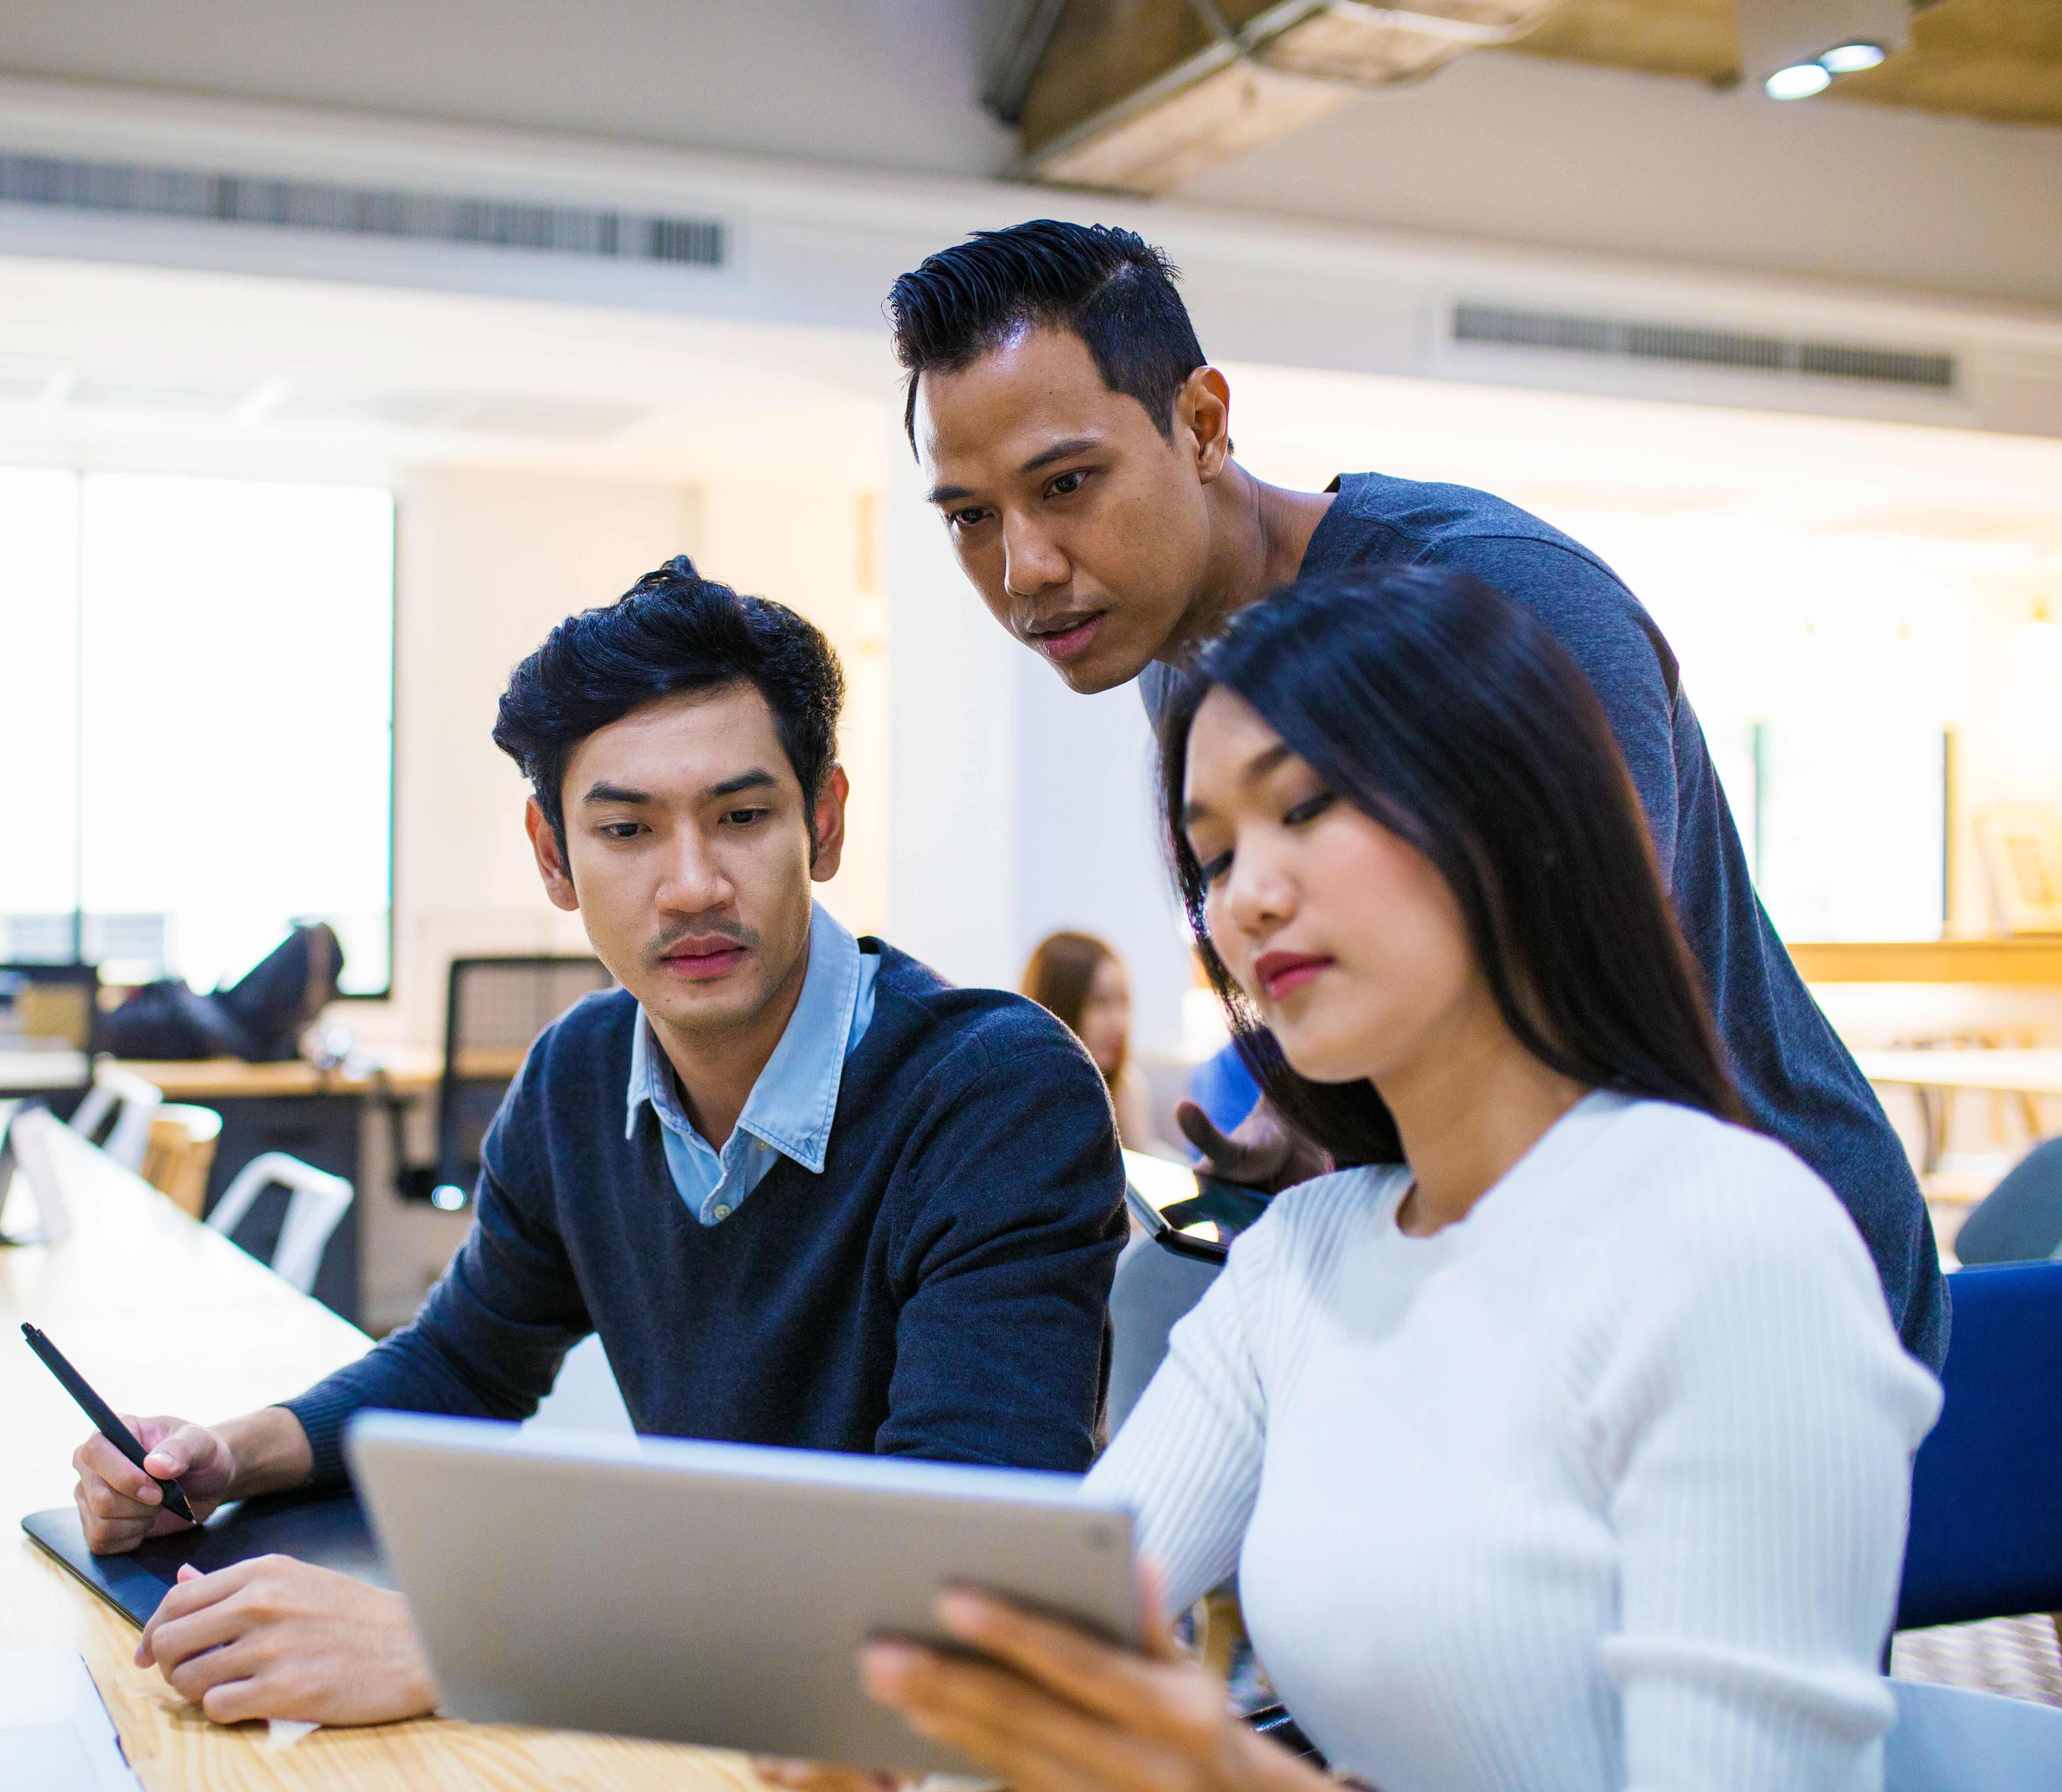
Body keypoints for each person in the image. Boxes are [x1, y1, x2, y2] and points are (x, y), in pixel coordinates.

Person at [769, 568, 1939, 1792]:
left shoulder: (1734, 1245)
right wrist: (915, 1740)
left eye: (1308, 807)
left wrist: (1222, 1777)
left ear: (1519, 817)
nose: (1248, 897)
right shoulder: (1306, 1253)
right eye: (1211, 855)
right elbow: (1070, 1619)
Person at [70, 556, 1129, 1727]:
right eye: (626, 828)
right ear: (552, 854)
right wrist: (233, 1453)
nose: (690, 884)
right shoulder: (579, 1074)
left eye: (742, 815)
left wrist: (458, 1646)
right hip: (714, 1706)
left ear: (822, 822)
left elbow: (964, 1564)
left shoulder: (993, 1094)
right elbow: (468, 1360)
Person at [887, 219, 1946, 1370]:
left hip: (1764, 1272)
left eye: (1068, 483)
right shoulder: (1179, 664)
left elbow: (1569, 1001)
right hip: (1504, 1266)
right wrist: (1304, 1120)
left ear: (1200, 423)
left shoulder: (1506, 601)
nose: (1023, 566)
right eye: (972, 517)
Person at [1020, 930, 1159, 1153]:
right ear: (1059, 1008)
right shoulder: (1023, 1099)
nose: (1119, 1023)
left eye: (1123, 1001)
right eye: (1100, 1002)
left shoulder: (1125, 1087)